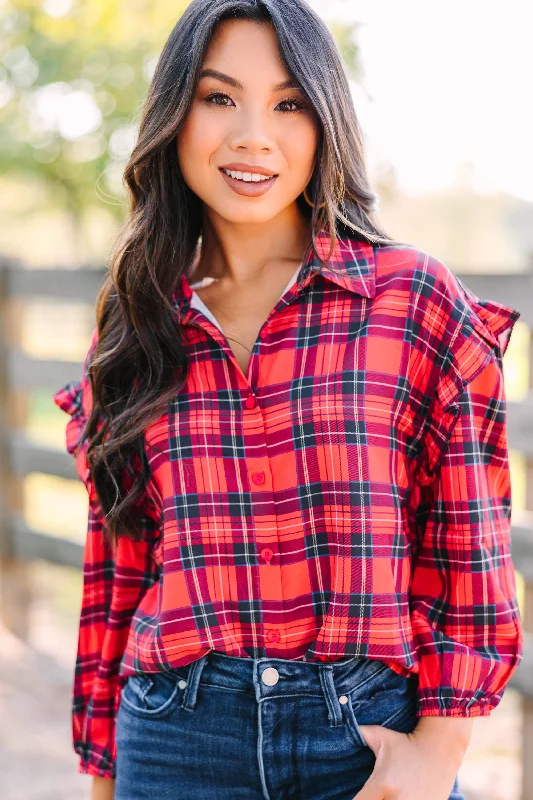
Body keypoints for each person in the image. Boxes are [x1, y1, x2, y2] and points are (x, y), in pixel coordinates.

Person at [53, 1, 524, 798]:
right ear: (175, 114)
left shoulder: (410, 299)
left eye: (288, 103)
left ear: (325, 121)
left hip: (369, 741)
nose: (251, 136)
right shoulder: (137, 321)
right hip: (174, 739)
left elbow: (469, 547)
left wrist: (435, 753)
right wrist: (104, 777)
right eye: (217, 98)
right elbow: (120, 565)